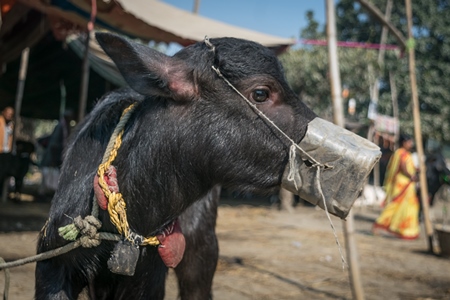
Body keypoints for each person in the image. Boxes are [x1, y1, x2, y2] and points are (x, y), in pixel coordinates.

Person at [373, 134, 420, 240]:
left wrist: (416, 170)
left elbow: (409, 167)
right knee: (394, 205)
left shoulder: (407, 154)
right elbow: (403, 167)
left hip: (407, 185)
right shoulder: (401, 153)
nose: (411, 144)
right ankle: (378, 224)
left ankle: (403, 229)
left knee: (407, 207)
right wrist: (412, 176)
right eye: (409, 142)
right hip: (402, 185)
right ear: (404, 142)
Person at [0, 106, 14, 197]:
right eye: (7, 113)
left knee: (2, 174)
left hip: (6, 152)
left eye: (11, 114)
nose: (9, 115)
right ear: (3, 112)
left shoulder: (11, 125)